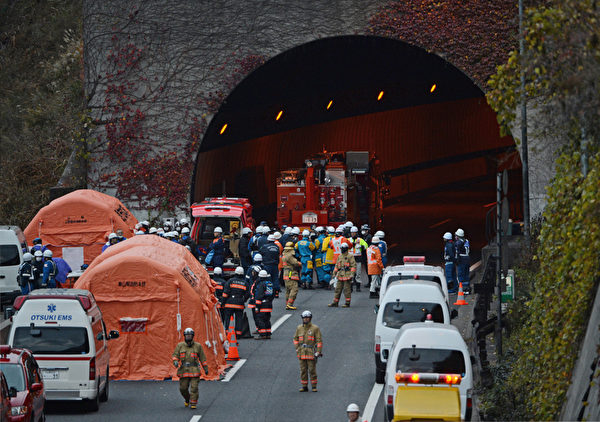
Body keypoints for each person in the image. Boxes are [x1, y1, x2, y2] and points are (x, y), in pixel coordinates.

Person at [172, 327, 209, 410]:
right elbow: (175, 355)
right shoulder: (180, 346)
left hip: (194, 370)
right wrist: (175, 361)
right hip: (183, 370)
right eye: (187, 335)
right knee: (183, 388)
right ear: (184, 336)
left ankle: (193, 403)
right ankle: (187, 399)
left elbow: (203, 358)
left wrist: (205, 368)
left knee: (194, 387)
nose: (188, 337)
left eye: (190, 335)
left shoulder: (198, 346)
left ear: (193, 336)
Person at [293, 310, 323, 392]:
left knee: (312, 370)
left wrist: (318, 351)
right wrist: (297, 348)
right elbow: (295, 339)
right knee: (303, 370)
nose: (305, 319)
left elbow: (319, 341)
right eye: (304, 318)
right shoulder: (299, 328)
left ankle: (314, 386)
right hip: (302, 352)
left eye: (307, 318)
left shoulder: (315, 328)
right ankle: (304, 386)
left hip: (311, 352)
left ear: (310, 318)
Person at [221, 267, 249, 339]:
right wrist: (243, 300)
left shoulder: (230, 281)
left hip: (229, 304)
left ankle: (227, 333)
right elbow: (248, 294)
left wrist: (223, 303)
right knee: (239, 319)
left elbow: (225, 293)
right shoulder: (245, 283)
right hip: (239, 304)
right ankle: (238, 334)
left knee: (227, 319)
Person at [329, 243, 356, 307]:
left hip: (347, 275)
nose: (341, 250)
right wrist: (334, 273)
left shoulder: (350, 256)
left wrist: (352, 274)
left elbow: (353, 266)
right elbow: (337, 265)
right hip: (340, 275)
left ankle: (347, 303)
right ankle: (335, 302)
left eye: (342, 249)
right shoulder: (340, 256)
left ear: (346, 249)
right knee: (337, 289)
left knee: (347, 290)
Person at [254, 270, 274, 339]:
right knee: (267, 319)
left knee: (260, 319)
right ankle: (268, 334)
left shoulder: (261, 285)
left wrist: (257, 307)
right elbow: (273, 295)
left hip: (262, 305)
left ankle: (263, 334)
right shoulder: (270, 284)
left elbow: (259, 296)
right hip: (269, 304)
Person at [282, 242, 301, 310]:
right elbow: (295, 263)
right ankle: (290, 304)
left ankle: (287, 303)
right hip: (291, 273)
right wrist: (300, 263)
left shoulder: (284, 255)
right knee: (294, 288)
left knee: (288, 290)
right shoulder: (289, 256)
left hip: (286, 273)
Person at [349, 226, 368, 293]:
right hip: (350, 259)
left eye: (354, 233)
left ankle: (358, 287)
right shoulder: (348, 240)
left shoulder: (360, 240)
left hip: (358, 259)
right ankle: (350, 287)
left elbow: (366, 246)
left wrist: (362, 246)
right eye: (352, 233)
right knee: (351, 273)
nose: (353, 234)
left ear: (356, 233)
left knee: (358, 274)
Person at [455, 228, 471, 294]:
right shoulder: (466, 241)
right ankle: (467, 288)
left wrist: (456, 260)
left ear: (458, 236)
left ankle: (462, 289)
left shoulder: (458, 242)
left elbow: (457, 252)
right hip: (467, 257)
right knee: (466, 273)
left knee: (461, 274)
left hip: (462, 258)